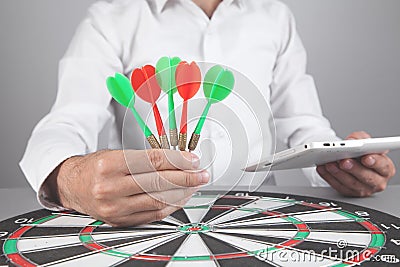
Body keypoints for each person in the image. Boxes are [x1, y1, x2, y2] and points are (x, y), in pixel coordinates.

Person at [20, 0, 395, 227]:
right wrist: (68, 177)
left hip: (256, 217)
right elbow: (67, 120)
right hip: (145, 221)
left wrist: (338, 163)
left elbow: (303, 125)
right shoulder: (112, 17)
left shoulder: (274, 16)